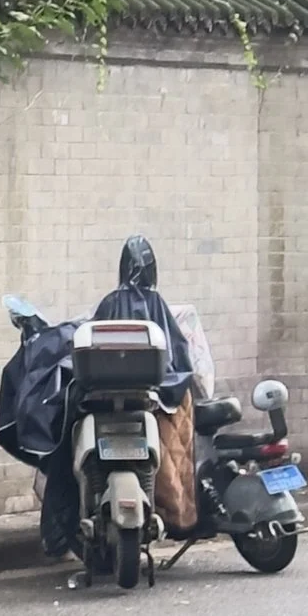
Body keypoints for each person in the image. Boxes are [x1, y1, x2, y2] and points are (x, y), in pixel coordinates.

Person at [95, 230, 200, 537]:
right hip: (155, 394)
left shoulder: (109, 303)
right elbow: (178, 354)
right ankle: (176, 510)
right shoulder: (157, 304)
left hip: (107, 398)